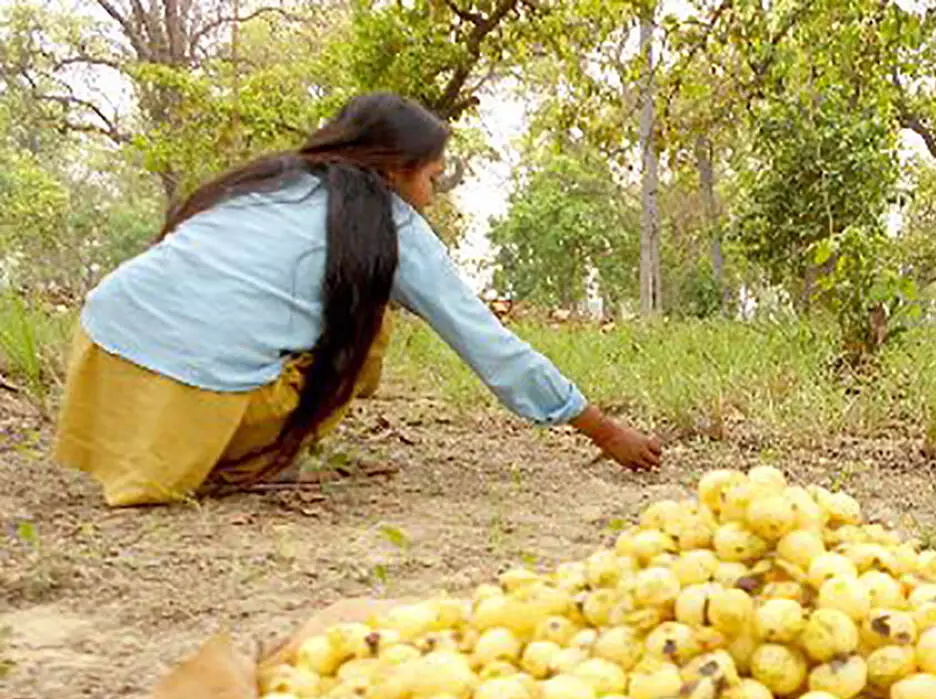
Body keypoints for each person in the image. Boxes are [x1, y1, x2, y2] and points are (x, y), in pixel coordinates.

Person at [53, 93, 661, 507]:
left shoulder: (271, 179)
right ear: (396, 171)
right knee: (366, 319)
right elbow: (487, 343)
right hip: (189, 390)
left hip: (102, 343)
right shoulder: (391, 228)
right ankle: (245, 457)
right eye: (432, 178)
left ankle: (177, 448)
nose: (430, 196)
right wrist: (603, 431)